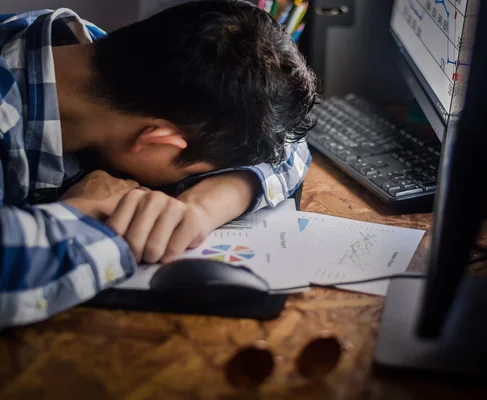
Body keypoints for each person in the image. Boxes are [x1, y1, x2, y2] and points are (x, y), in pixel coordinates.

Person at [0, 0, 317, 328]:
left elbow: (288, 142)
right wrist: (90, 212)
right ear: (157, 142)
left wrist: (200, 209)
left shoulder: (96, 56)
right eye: (198, 173)